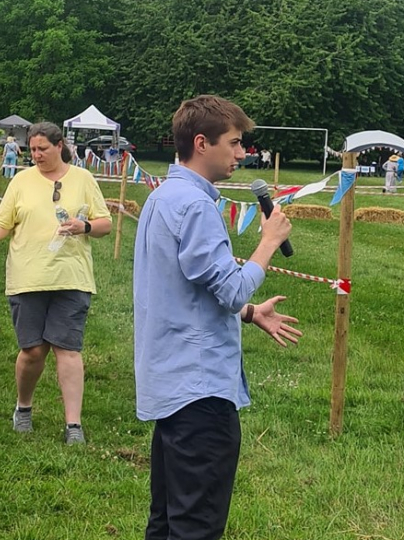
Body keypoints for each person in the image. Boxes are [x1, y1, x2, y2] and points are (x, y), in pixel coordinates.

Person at [134, 95, 302, 540]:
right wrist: (268, 243)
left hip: (172, 383)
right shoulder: (194, 206)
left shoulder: (162, 197)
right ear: (202, 143)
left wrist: (250, 313)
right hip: (199, 391)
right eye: (235, 143)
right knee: (196, 527)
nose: (242, 153)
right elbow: (228, 288)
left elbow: (186, 286)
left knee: (168, 521)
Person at [0, 122, 112, 445]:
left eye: (42, 149)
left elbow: (105, 224)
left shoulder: (83, 179)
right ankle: (24, 407)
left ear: (60, 146)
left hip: (70, 277)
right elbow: (2, 222)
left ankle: (73, 425)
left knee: (68, 349)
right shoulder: (21, 181)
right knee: (33, 350)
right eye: (31, 150)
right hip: (28, 277)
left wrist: (84, 226)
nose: (36, 155)